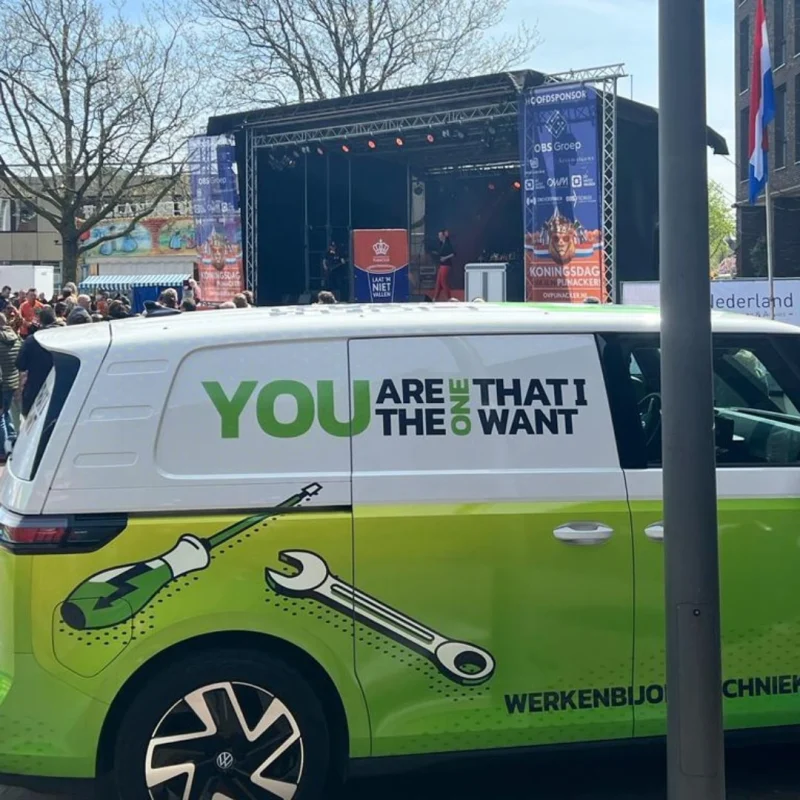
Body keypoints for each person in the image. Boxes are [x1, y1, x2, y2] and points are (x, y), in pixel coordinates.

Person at [16, 306, 58, 417]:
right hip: (61, 387)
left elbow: (20, 364)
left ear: (39, 320)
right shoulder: (67, 337)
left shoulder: (32, 340)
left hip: (36, 388)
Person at [0, 313, 21, 459]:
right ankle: (12, 440)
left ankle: (2, 450)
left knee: (1, 416)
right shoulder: (15, 337)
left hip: (2, 384)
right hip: (13, 381)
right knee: (6, 412)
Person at [434, 229, 454, 302]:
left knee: (443, 281)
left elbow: (453, 253)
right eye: (439, 235)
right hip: (442, 265)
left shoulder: (447, 244)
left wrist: (445, 258)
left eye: (440, 235)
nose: (439, 237)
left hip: (446, 265)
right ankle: (435, 298)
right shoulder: (441, 244)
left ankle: (449, 298)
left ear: (443, 236)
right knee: (438, 282)